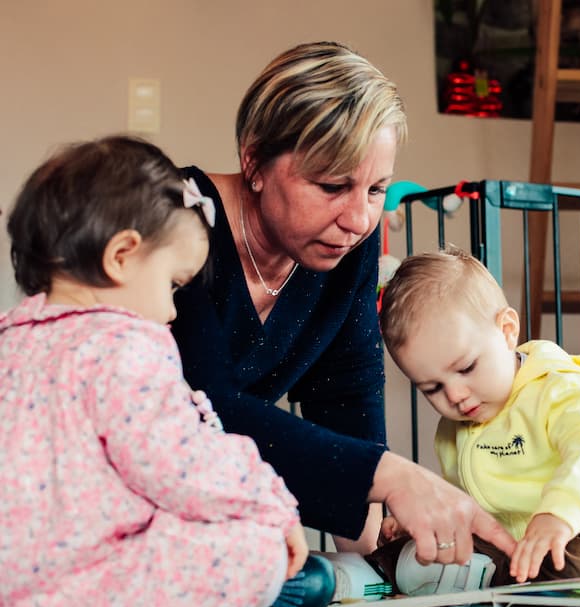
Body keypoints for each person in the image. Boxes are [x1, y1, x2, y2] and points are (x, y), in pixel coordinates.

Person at [170, 41, 515, 565]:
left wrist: (381, 564)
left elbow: (347, 397)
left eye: (376, 189)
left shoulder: (345, 251)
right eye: (333, 186)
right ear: (254, 160)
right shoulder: (175, 222)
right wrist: (393, 477)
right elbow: (202, 409)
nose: (358, 220)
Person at [0, 136, 337, 607]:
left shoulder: (11, 337)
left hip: (10, 571)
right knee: (264, 558)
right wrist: (275, 507)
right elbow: (180, 465)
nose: (173, 311)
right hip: (84, 573)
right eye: (173, 284)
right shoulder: (127, 345)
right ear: (122, 256)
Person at [371, 246, 580, 592]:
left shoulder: (563, 389)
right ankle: (382, 573)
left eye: (466, 368)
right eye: (432, 388)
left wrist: (558, 516)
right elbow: (465, 502)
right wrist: (429, 524)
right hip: (515, 546)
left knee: (570, 563)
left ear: (508, 329)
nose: (454, 395)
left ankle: (481, 579)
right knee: (404, 551)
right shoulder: (456, 428)